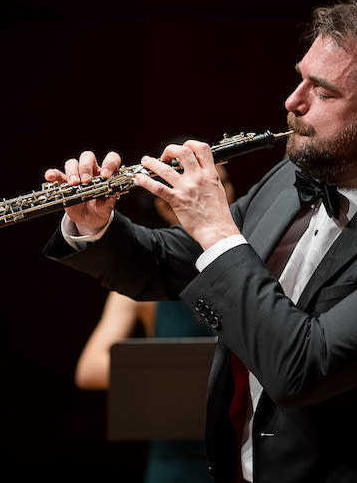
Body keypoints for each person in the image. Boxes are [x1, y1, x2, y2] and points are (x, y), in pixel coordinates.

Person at [44, 0, 357, 483]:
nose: (294, 101)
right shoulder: (291, 179)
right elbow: (172, 266)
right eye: (301, 79)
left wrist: (215, 226)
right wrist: (95, 224)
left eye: (324, 91)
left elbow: (302, 368)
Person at [74, 165, 235, 483]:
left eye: (222, 183)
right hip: (178, 456)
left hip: (243, 448)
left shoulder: (247, 260)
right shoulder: (144, 282)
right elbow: (90, 369)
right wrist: (207, 375)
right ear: (164, 203)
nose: (222, 194)